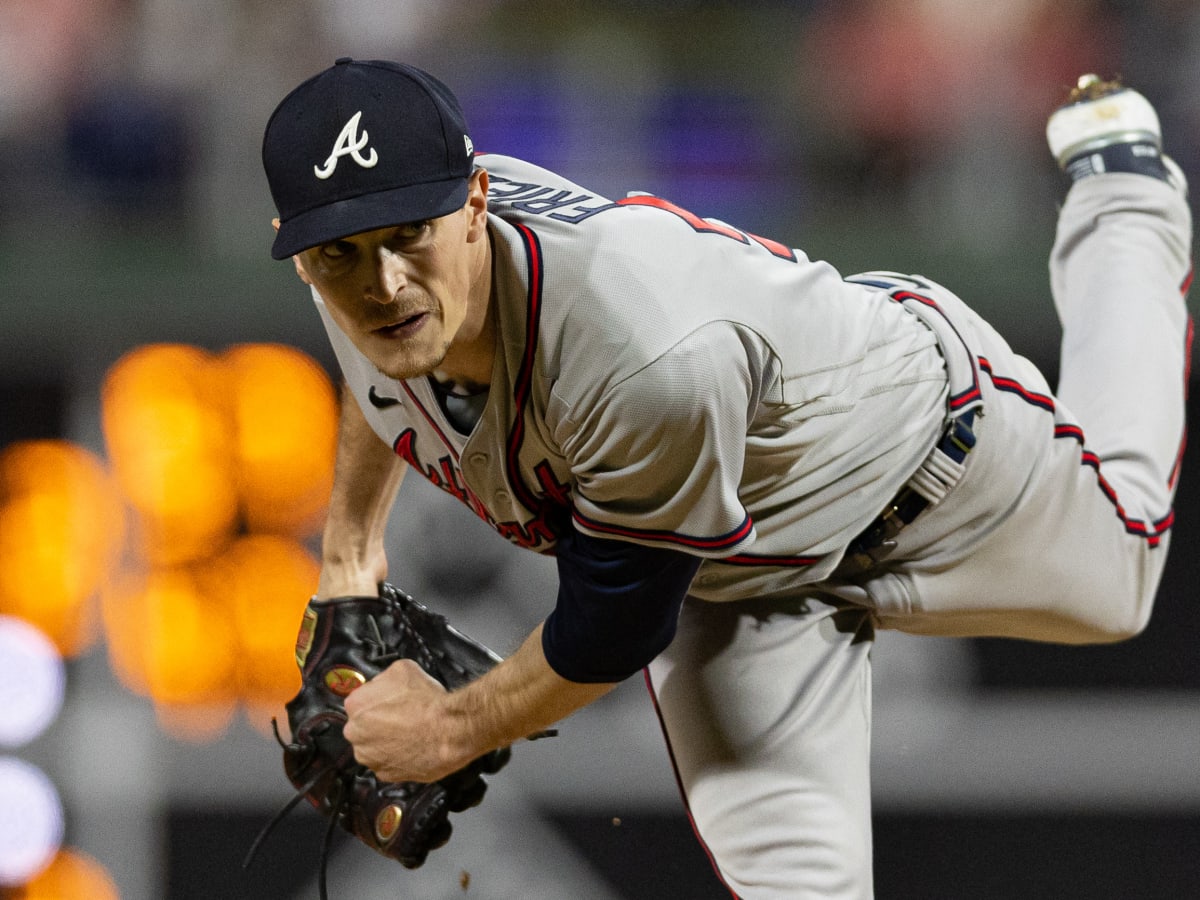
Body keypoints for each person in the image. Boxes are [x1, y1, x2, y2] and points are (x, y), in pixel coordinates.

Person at [260, 59, 1192, 898]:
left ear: (476, 199)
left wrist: (452, 729)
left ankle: (1127, 204)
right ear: (297, 246)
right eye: (338, 248)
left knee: (1122, 581)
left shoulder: (644, 354)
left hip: (930, 463)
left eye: (407, 233)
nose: (381, 281)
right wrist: (349, 554)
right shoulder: (364, 275)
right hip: (730, 582)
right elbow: (376, 369)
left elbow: (610, 631)